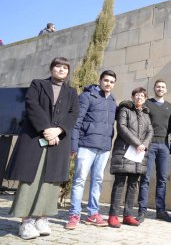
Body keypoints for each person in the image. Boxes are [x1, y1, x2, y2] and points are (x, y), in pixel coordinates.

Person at [5, 57, 79, 240]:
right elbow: (32, 106)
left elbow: (74, 113)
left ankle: (42, 218)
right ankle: (26, 221)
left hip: (58, 141)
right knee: (31, 177)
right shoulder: (38, 84)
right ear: (51, 68)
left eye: (65, 68)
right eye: (58, 66)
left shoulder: (71, 92)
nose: (61, 70)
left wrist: (59, 130)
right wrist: (46, 129)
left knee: (51, 180)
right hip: (35, 138)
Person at [65, 70, 117, 230]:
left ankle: (93, 213)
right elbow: (76, 121)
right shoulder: (88, 96)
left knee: (98, 181)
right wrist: (73, 145)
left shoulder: (113, 101)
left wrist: (109, 145)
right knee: (79, 180)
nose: (108, 84)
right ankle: (74, 214)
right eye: (106, 80)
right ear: (100, 81)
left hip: (104, 148)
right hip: (86, 145)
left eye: (112, 82)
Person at [108, 87, 153, 228]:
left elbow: (150, 131)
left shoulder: (146, 114)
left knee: (134, 184)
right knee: (119, 183)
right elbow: (122, 128)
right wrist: (137, 143)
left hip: (138, 154)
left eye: (142, 96)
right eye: (137, 95)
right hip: (124, 151)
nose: (139, 97)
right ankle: (113, 216)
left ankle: (128, 215)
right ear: (133, 97)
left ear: (145, 98)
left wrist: (144, 145)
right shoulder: (125, 109)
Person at [137, 79, 171, 223]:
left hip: (164, 146)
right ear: (154, 89)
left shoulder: (170, 107)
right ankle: (142, 210)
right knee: (145, 178)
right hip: (149, 145)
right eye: (158, 86)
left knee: (162, 179)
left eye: (163, 87)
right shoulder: (147, 104)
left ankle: (161, 211)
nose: (160, 89)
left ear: (166, 90)